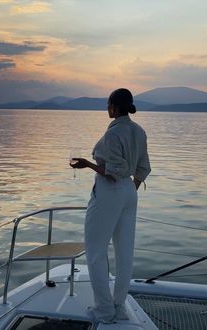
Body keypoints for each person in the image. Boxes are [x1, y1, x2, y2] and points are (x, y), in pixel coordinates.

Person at [70, 88, 151, 323]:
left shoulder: (112, 135)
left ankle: (104, 311)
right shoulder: (139, 131)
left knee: (96, 252)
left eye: (108, 105)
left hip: (110, 191)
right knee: (125, 252)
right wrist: (128, 191)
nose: (107, 109)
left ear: (115, 107)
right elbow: (143, 168)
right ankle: (118, 307)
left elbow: (113, 172)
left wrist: (88, 164)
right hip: (129, 192)